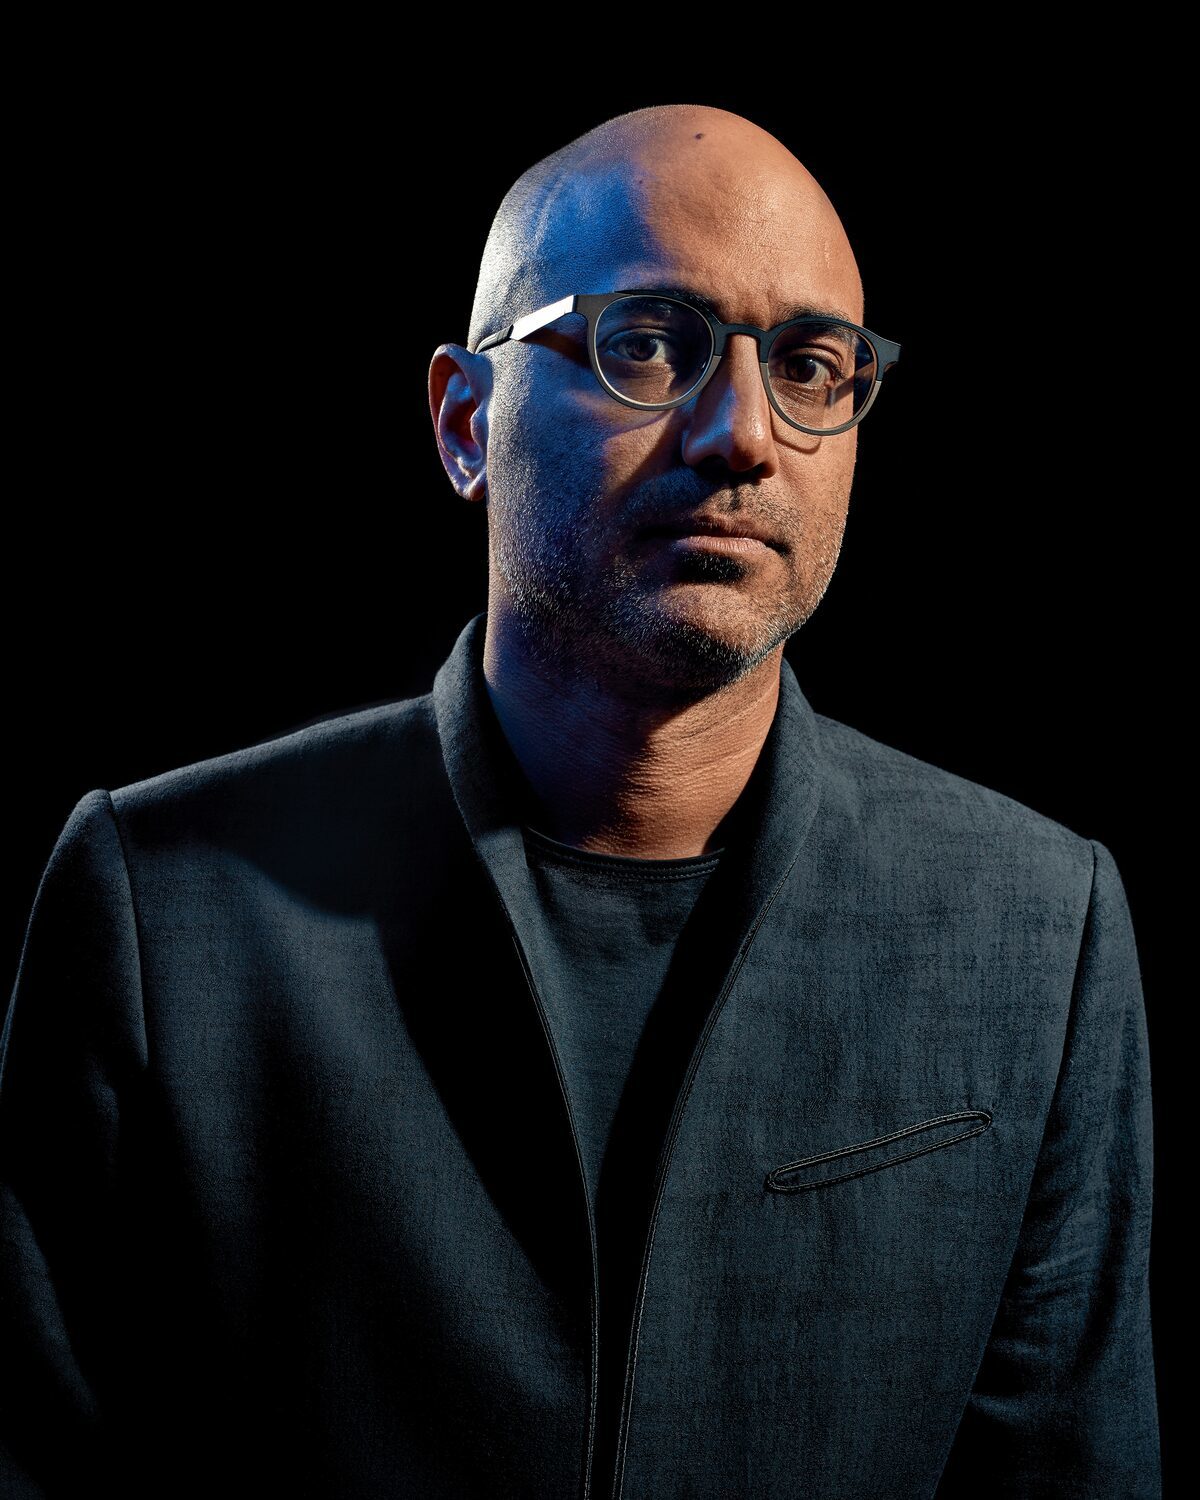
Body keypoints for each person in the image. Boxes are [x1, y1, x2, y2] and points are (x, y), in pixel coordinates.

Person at [0, 104, 1160, 1499]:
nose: (744, 436)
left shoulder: (1035, 927)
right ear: (464, 422)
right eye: (649, 343)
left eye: (809, 365)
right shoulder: (163, 903)